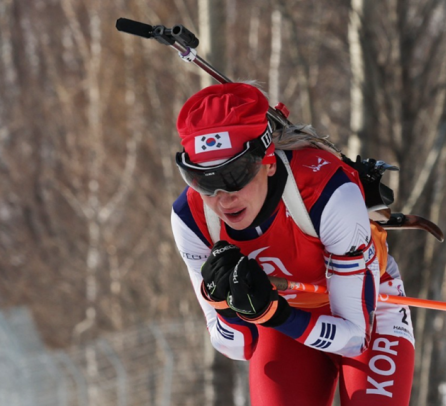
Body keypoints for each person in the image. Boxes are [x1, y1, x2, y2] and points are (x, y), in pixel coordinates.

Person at [171, 82, 415, 405]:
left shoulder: (329, 195)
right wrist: (223, 303)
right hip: (284, 318)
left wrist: (275, 313)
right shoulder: (192, 218)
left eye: (234, 176)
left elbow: (356, 336)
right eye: (203, 180)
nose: (222, 199)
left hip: (370, 311)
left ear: (268, 160)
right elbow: (235, 346)